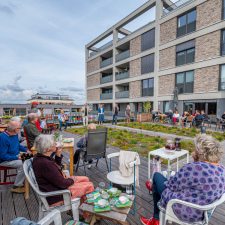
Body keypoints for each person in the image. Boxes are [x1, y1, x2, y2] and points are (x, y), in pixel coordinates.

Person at [142, 134, 225, 225]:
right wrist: (196, 161)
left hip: (184, 209)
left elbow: (171, 185)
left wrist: (195, 162)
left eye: (195, 148)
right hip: (203, 212)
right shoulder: (222, 169)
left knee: (157, 176)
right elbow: (198, 180)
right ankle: (156, 213)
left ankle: (156, 218)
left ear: (199, 152)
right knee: (157, 186)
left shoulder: (193, 168)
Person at [33, 134, 94, 222]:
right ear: (47, 149)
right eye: (53, 143)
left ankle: (75, 209)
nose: (56, 143)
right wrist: (72, 179)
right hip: (56, 195)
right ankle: (87, 217)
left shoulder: (41, 156)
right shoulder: (45, 164)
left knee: (85, 179)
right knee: (89, 186)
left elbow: (55, 170)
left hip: (54, 186)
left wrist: (58, 153)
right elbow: (63, 184)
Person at [0, 121, 31, 193]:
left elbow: (18, 145)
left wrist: (26, 150)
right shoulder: (3, 138)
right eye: (20, 128)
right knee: (24, 165)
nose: (21, 129)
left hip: (15, 155)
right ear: (15, 129)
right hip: (5, 160)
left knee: (32, 158)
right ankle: (16, 186)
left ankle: (27, 179)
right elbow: (3, 156)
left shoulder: (14, 134)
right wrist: (17, 158)